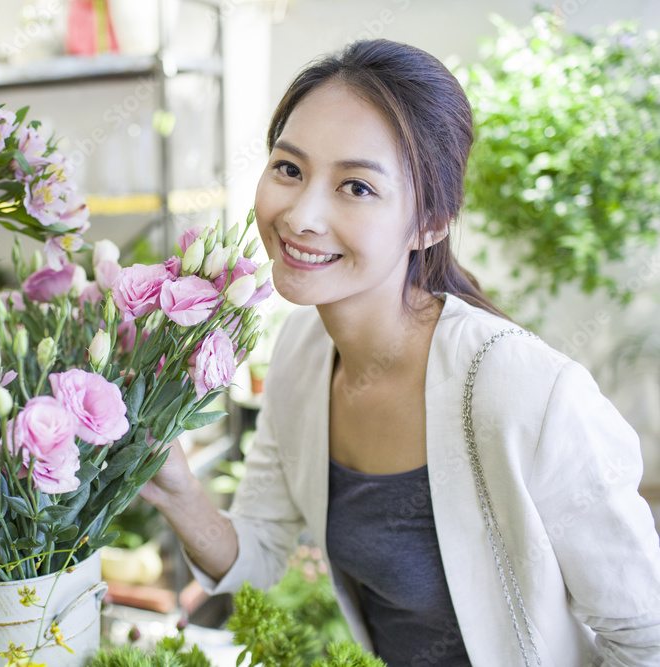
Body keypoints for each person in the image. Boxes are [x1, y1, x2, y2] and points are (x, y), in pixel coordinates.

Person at [140, 39, 660, 666]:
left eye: (356, 186)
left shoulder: (527, 393)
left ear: (431, 222)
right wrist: (175, 490)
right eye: (288, 168)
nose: (301, 214)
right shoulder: (303, 355)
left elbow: (645, 638)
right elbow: (259, 559)